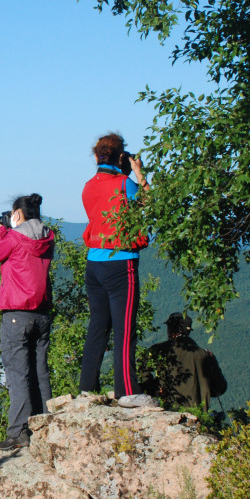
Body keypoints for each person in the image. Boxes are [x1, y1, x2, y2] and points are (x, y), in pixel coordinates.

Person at [78, 132, 157, 408]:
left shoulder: (88, 187)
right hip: (120, 262)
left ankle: (87, 388)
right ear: (121, 156)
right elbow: (154, 204)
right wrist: (139, 174)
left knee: (98, 326)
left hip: (93, 264)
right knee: (124, 329)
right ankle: (127, 392)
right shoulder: (125, 184)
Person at [0, 193, 55, 451]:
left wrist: (2, 231)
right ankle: (47, 425)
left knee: (18, 375)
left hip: (16, 313)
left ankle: (18, 432)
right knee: (40, 371)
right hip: (42, 313)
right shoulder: (48, 237)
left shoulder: (13, 238)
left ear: (17, 214)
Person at [141, 312, 227, 411]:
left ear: (170, 330)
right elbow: (219, 389)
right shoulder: (204, 355)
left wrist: (154, 388)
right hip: (198, 415)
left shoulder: (158, 350)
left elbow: (141, 367)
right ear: (188, 331)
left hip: (168, 410)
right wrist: (214, 363)